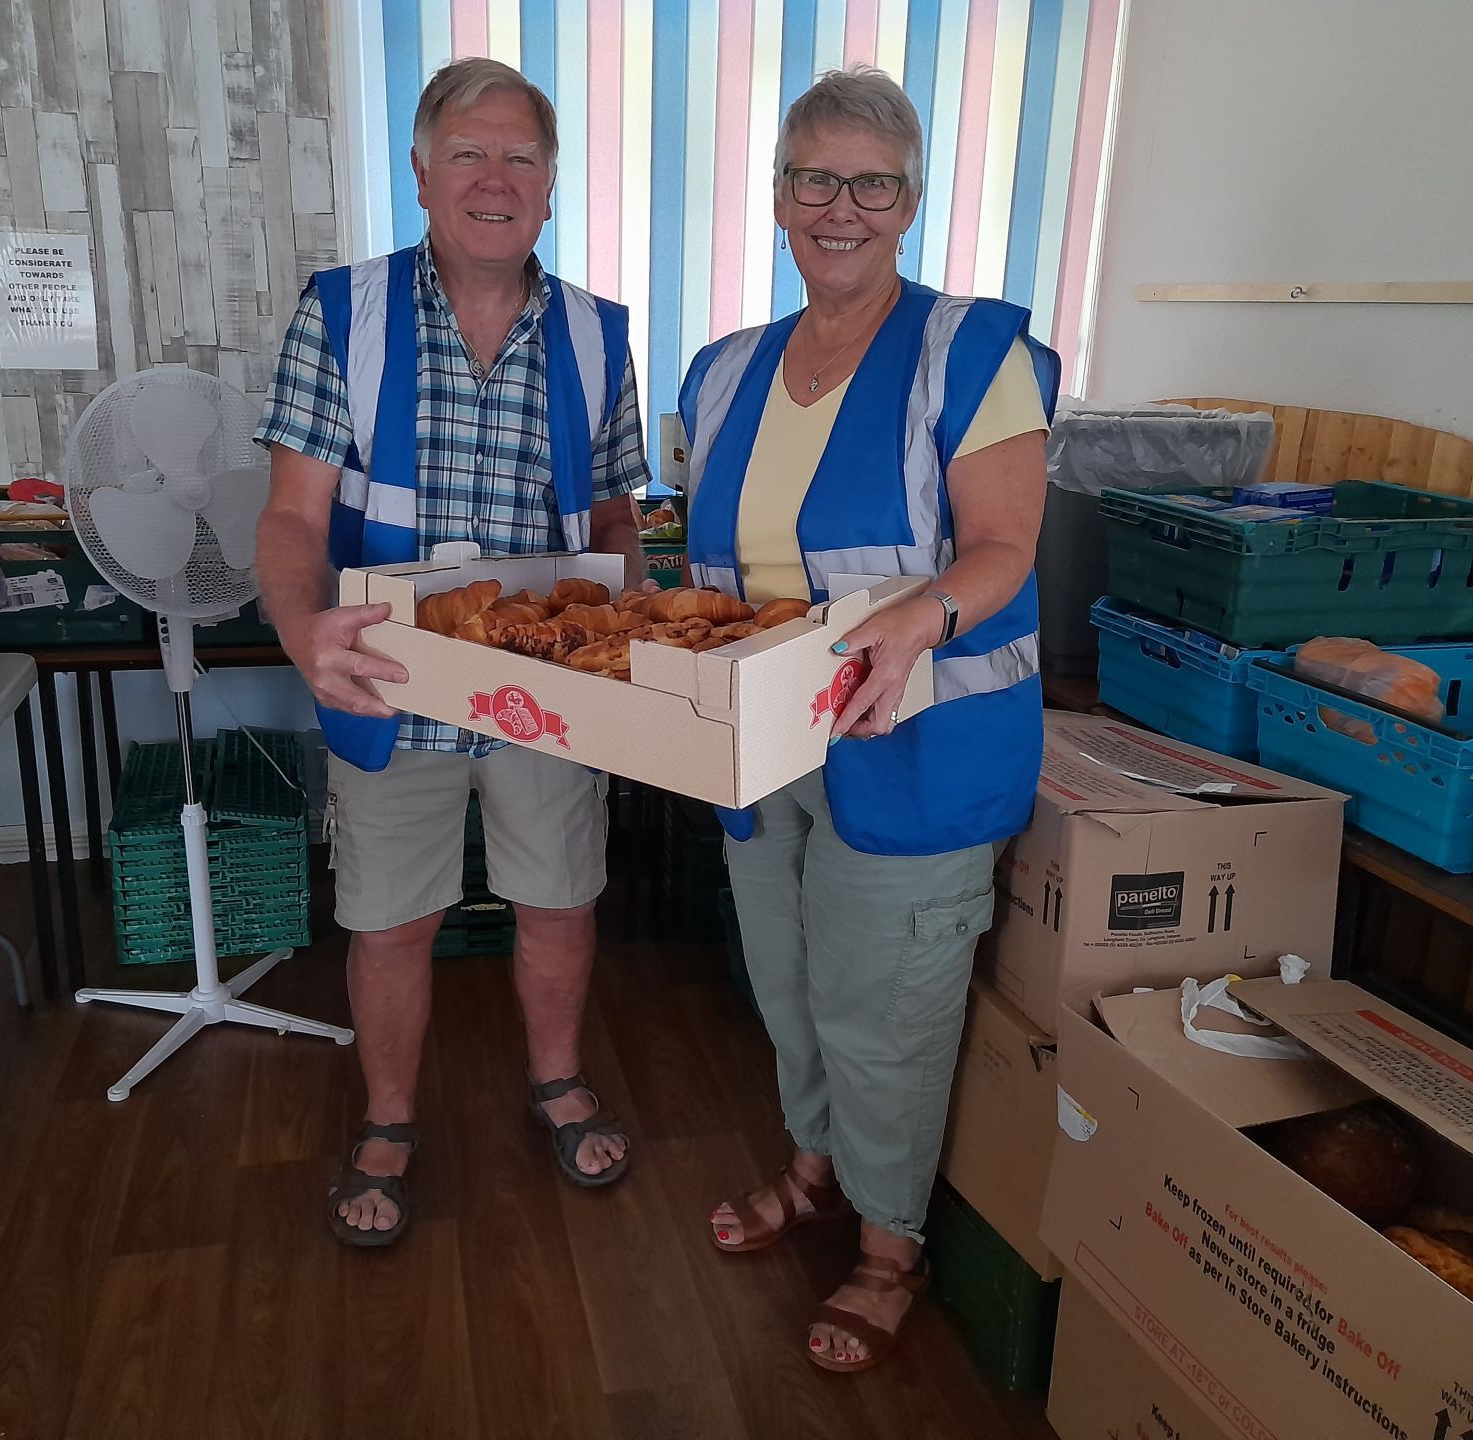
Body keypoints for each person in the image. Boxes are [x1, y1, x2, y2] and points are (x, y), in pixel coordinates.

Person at [678, 68, 1057, 1370]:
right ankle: (815, 1166)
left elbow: (1004, 544)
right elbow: (714, 568)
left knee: (882, 1008)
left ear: (908, 202)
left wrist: (921, 616)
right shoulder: (723, 371)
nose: (838, 206)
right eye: (812, 178)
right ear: (779, 195)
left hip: (921, 743)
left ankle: (891, 1244)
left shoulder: (972, 351)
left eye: (870, 183)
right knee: (786, 983)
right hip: (764, 740)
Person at [253, 57, 648, 1248]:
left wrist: (628, 627)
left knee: (560, 902)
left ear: (551, 182)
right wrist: (297, 631)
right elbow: (288, 518)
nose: (495, 179)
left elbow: (620, 513)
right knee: (389, 922)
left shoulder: (594, 332)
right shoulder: (344, 313)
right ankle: (387, 1118)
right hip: (390, 680)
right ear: (421, 175)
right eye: (468, 154)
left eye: (520, 156)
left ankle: (558, 1082)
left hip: (549, 693)